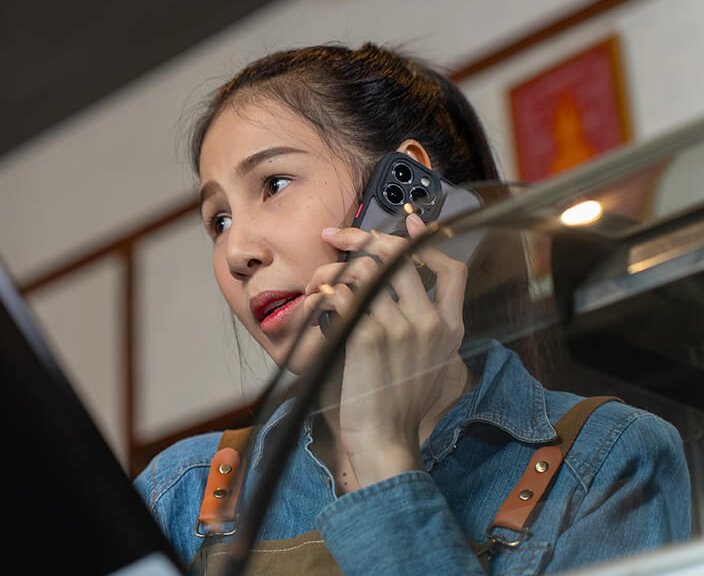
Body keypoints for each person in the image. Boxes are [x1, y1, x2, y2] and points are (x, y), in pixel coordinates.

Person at [133, 43, 691, 575]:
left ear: (407, 193)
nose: (236, 253)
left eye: (274, 184)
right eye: (218, 221)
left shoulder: (608, 459)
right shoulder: (180, 493)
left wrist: (382, 452)